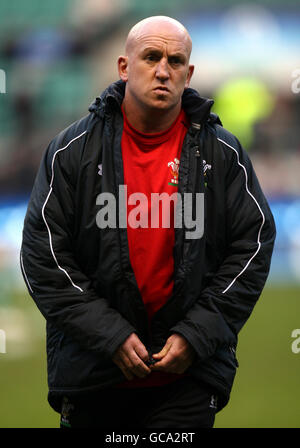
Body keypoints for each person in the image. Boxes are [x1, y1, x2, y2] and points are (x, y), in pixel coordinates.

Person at [20, 16, 276, 429]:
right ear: (124, 67)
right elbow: (44, 258)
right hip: (93, 378)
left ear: (188, 74)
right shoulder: (71, 151)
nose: (163, 70)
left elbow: (253, 245)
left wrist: (197, 335)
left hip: (187, 382)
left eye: (175, 61)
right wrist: (111, 336)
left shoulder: (223, 153)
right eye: (151, 57)